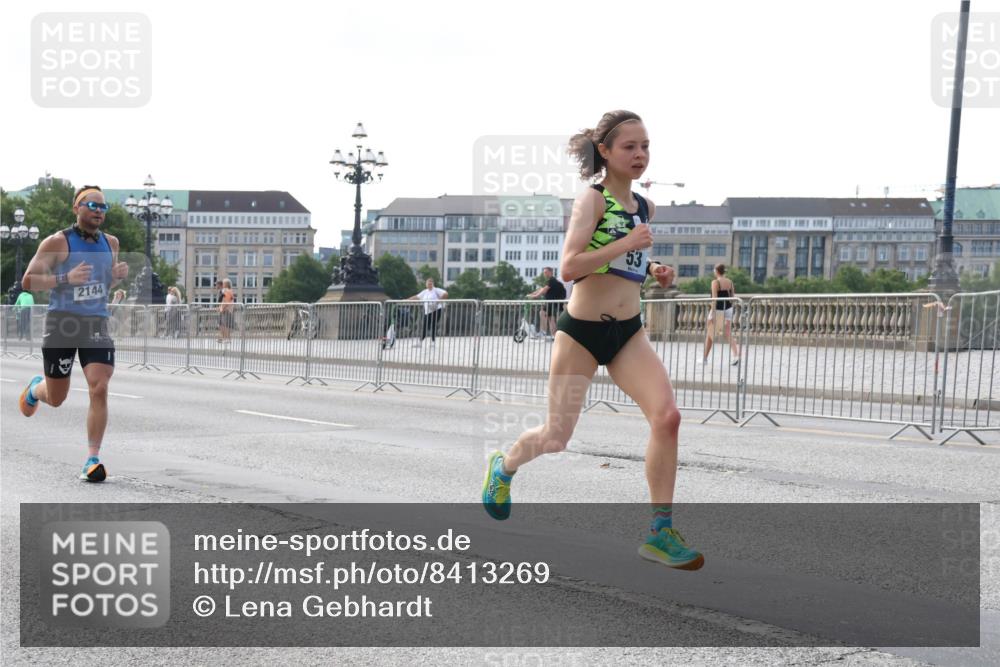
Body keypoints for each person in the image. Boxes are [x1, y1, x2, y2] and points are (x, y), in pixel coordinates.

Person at [481, 110, 704, 570]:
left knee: (668, 418)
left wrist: (654, 269)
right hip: (581, 334)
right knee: (556, 437)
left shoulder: (644, 207)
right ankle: (503, 467)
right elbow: (570, 267)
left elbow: (627, 258)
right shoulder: (592, 200)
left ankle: (660, 531)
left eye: (645, 146)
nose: (640, 154)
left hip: (628, 333)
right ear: (605, 151)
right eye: (630, 147)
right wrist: (627, 246)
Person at [17, 185, 130, 482]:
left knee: (100, 387)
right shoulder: (58, 242)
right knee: (56, 398)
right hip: (62, 323)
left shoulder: (111, 243)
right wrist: (65, 277)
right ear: (76, 208)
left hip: (95, 323)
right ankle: (35, 389)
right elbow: (28, 281)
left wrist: (114, 279)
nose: (97, 210)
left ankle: (92, 459)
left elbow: (103, 286)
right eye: (91, 204)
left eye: (102, 207)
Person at [700, 263, 741, 366]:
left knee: (710, 335)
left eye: (714, 270)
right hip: (728, 308)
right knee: (728, 333)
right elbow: (732, 296)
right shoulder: (730, 282)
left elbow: (714, 299)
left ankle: (704, 359)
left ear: (716, 271)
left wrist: (712, 314)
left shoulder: (715, 282)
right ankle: (736, 355)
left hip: (718, 309)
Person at [527, 267, 566, 340]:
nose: (545, 274)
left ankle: (544, 332)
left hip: (552, 302)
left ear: (551, 272)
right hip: (551, 302)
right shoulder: (550, 281)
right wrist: (532, 294)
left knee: (544, 314)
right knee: (550, 318)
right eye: (544, 272)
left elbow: (544, 290)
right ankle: (552, 335)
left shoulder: (552, 280)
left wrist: (536, 296)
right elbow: (541, 289)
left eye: (546, 272)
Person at [408, 278, 448, 349]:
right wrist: (407, 300)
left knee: (433, 325)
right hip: (427, 311)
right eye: (428, 283)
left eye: (431, 283)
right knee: (425, 326)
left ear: (433, 284)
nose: (429, 285)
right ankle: (420, 342)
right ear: (426, 284)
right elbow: (417, 297)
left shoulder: (436, 290)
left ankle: (433, 343)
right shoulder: (425, 292)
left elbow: (445, 294)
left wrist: (438, 301)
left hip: (436, 310)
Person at [218, 279, 235, 343]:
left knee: (226, 325)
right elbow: (223, 301)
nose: (222, 284)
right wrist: (220, 307)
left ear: (226, 284)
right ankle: (224, 338)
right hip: (224, 309)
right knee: (222, 325)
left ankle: (227, 339)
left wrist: (223, 308)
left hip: (226, 310)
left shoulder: (227, 291)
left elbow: (227, 301)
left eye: (223, 283)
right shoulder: (226, 291)